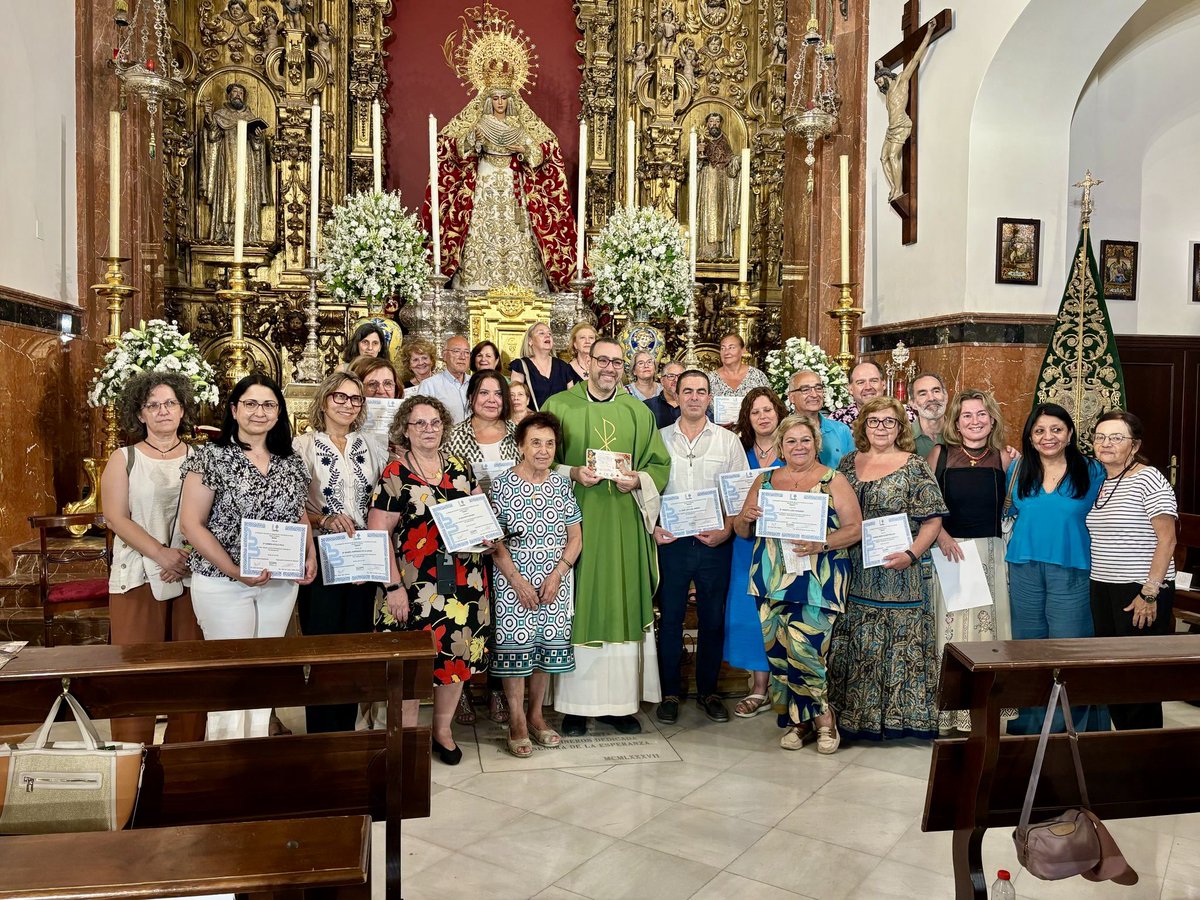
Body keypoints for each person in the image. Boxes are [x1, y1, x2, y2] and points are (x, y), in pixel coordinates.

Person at [542, 337, 671, 736]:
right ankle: (574, 707)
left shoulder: (638, 411)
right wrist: (573, 473)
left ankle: (619, 705)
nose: (610, 368)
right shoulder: (558, 407)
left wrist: (640, 480)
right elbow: (537, 459)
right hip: (574, 527)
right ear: (586, 362)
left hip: (623, 528)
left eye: (617, 362)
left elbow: (659, 465)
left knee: (621, 602)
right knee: (579, 607)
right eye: (603, 360)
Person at [179, 374, 317, 740]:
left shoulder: (290, 460)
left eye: (269, 404)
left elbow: (298, 513)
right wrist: (235, 570)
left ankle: (256, 756)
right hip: (223, 581)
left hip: (279, 583)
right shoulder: (211, 456)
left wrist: (309, 552)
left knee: (266, 670)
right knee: (230, 674)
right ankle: (225, 758)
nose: (260, 412)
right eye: (251, 404)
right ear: (234, 409)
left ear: (279, 412)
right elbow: (192, 525)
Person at [367, 396, 492, 765]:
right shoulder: (394, 474)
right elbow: (378, 535)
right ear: (404, 429)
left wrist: (487, 535)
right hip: (413, 587)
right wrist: (393, 588)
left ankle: (442, 731)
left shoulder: (459, 466)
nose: (428, 429)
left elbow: (480, 514)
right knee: (410, 667)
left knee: (455, 658)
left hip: (463, 584)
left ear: (444, 427)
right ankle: (405, 741)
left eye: (435, 422)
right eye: (419, 423)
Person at [736, 415, 862, 752]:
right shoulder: (764, 480)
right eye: (791, 441)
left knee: (807, 652)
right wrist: (745, 518)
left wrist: (822, 543)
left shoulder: (833, 480)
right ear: (780, 447)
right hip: (770, 581)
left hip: (818, 580)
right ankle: (799, 722)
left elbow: (854, 529)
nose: (799, 447)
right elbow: (741, 530)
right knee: (779, 655)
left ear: (816, 444)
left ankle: (824, 722)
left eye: (805, 440)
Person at [831, 396, 947, 740]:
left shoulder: (914, 465)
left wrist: (911, 554)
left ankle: (902, 722)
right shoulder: (847, 462)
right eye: (874, 421)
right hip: (856, 570)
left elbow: (933, 519)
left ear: (900, 428)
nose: (881, 428)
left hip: (901, 571)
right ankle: (855, 720)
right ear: (863, 426)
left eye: (889, 421)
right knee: (858, 643)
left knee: (901, 644)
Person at [100, 371, 206, 745]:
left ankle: (186, 759)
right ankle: (131, 759)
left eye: (170, 403)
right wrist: (161, 554)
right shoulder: (124, 458)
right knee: (136, 676)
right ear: (140, 414)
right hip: (138, 575)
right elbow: (115, 517)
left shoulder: (202, 457)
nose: (163, 411)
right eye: (153, 405)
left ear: (182, 410)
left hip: (193, 574)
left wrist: (187, 556)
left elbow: (216, 515)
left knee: (191, 674)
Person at [292, 371, 386, 733]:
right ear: (324, 399)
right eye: (340, 397)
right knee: (324, 645)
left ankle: (348, 731)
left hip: (364, 555)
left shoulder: (372, 445)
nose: (348, 404)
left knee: (358, 644)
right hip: (322, 555)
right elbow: (293, 505)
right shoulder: (303, 446)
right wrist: (323, 520)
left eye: (356, 398)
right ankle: (321, 731)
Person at [1005, 403, 1107, 734]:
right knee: (1028, 645)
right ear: (1030, 438)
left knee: (1068, 645)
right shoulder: (1018, 470)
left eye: (1056, 429)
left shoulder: (1092, 470)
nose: (1048, 437)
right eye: (1039, 431)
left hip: (1071, 566)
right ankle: (1030, 725)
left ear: (1070, 434)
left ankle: (1069, 728)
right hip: (1024, 566)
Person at [654, 370, 747, 724]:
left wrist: (726, 530)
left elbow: (739, 496)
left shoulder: (728, 441)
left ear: (710, 397)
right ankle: (669, 694)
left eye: (701, 391)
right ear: (675, 395)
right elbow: (648, 492)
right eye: (687, 391)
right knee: (671, 619)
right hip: (673, 544)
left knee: (712, 620)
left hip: (713, 544)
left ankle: (709, 691)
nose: (694, 397)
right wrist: (654, 528)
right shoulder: (659, 439)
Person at [489, 412, 583, 757]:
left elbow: (576, 537)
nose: (543, 450)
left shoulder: (561, 485)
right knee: (517, 650)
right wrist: (517, 582)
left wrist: (558, 573)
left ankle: (536, 716)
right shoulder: (502, 485)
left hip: (555, 582)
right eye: (535, 443)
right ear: (520, 446)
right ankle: (515, 720)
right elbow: (493, 541)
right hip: (514, 581)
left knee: (545, 650)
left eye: (549, 443)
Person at [926, 390, 1018, 733]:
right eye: (967, 415)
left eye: (981, 414)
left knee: (987, 631)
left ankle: (985, 710)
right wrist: (941, 535)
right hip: (950, 552)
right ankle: (949, 713)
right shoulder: (940, 454)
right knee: (950, 633)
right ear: (956, 421)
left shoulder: (1005, 458)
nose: (975, 421)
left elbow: (1012, 507)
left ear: (992, 419)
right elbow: (925, 503)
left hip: (991, 555)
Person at [433, 83, 579, 293]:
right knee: (482, 225)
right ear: (488, 100)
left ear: (510, 100)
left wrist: (524, 150)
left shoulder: (519, 125)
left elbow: (540, 154)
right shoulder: (481, 123)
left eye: (503, 98)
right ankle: (476, 284)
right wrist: (474, 141)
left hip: (513, 182)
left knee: (519, 229)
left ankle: (522, 284)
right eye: (495, 98)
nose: (499, 102)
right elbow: (458, 149)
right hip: (486, 179)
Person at [1087, 410, 1178, 730]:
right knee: (1113, 674)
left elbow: (1167, 540)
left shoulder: (1148, 478)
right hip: (1103, 587)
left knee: (1138, 679)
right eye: (1100, 437)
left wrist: (1150, 593)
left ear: (1134, 445)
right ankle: (1122, 748)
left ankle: (1145, 755)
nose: (1106, 443)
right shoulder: (1101, 480)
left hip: (1139, 589)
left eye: (1116, 437)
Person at [444, 370, 518, 726]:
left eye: (497, 393)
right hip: (468, 539)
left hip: (513, 536)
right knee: (471, 615)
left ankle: (498, 690)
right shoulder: (454, 435)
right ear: (471, 396)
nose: (491, 399)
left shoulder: (519, 435)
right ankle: (462, 694)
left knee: (504, 618)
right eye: (484, 392)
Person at [724, 387, 787, 716]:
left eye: (768, 410)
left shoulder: (793, 448)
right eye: (755, 412)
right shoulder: (738, 451)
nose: (763, 417)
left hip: (781, 545)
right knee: (749, 613)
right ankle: (759, 687)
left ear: (778, 412)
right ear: (746, 418)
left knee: (780, 609)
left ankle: (786, 685)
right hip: (745, 543)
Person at [201, 82, 271, 244]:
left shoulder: (250, 117)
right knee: (227, 193)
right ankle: (224, 231)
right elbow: (212, 137)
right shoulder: (220, 115)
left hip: (247, 165)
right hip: (226, 163)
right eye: (235, 92)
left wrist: (258, 136)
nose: (238, 94)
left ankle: (246, 231)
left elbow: (258, 146)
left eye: (241, 92)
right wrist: (208, 116)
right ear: (229, 95)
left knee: (246, 193)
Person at [876, 22, 936, 202]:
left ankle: (898, 191)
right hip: (891, 128)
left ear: (887, 77)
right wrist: (879, 66)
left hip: (902, 125)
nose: (878, 84)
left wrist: (929, 33)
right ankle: (894, 187)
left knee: (893, 155)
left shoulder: (901, 82)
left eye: (879, 80)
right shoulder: (886, 93)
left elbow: (916, 58)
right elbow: (881, 70)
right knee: (883, 158)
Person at [695, 112, 742, 260]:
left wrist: (737, 160)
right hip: (706, 177)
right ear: (707, 124)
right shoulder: (700, 140)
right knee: (707, 211)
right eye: (711, 121)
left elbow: (729, 161)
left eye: (717, 121)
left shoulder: (724, 141)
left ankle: (722, 249)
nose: (714, 124)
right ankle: (705, 249)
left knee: (721, 212)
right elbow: (694, 165)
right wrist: (698, 153)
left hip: (721, 180)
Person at [786, 369, 853, 467]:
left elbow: (853, 470)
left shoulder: (841, 430)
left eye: (818, 388)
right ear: (791, 397)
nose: (814, 394)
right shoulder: (783, 432)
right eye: (805, 390)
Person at [510, 321, 578, 410]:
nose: (547, 335)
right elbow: (515, 400)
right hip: (532, 421)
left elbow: (572, 400)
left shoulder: (563, 366)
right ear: (530, 341)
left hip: (559, 422)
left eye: (549, 333)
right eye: (541, 333)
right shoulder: (520, 366)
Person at [829, 361, 916, 426]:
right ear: (850, 389)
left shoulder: (905, 414)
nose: (868, 387)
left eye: (874, 381)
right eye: (860, 382)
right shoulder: (837, 419)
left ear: (883, 384)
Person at [411, 334, 471, 424]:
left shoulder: (476, 382)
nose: (462, 357)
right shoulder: (429, 385)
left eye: (466, 352)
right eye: (456, 351)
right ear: (444, 355)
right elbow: (421, 420)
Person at [707, 333, 769, 406]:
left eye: (732, 347)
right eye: (723, 348)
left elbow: (770, 405)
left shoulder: (757, 376)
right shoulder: (710, 379)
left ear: (743, 350)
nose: (726, 352)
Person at [909, 372, 947, 457]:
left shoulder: (961, 434)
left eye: (936, 391)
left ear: (946, 397)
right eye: (923, 394)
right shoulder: (902, 438)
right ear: (913, 403)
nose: (931, 398)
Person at [645, 361, 684, 429]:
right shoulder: (647, 407)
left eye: (680, 376)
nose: (676, 380)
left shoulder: (696, 404)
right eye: (671, 376)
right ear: (662, 381)